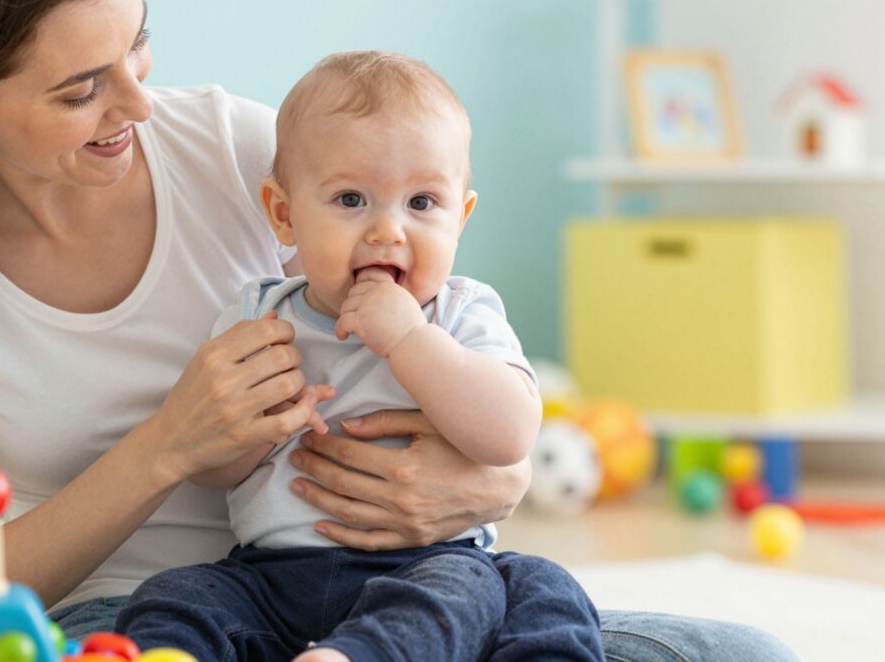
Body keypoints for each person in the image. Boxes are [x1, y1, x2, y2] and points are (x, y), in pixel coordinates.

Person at [0, 0, 799, 661]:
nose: (140, 103)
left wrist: (491, 483)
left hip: (406, 587)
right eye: (81, 89)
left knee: (742, 652)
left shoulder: (235, 145)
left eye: (139, 45)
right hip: (155, 610)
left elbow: (449, 339)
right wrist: (167, 445)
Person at [113, 51, 606, 662]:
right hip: (270, 576)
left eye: (422, 203)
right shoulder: (260, 315)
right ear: (284, 215)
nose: (387, 231)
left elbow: (509, 436)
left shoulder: (460, 313)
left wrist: (409, 340)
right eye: (351, 199)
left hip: (425, 564)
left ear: (462, 218)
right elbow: (212, 468)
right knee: (176, 594)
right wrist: (256, 428)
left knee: (497, 589)